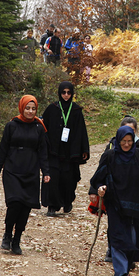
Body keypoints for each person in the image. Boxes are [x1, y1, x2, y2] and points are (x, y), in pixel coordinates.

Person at [89, 125, 139, 276]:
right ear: (118, 141)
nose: (126, 144)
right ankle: (121, 275)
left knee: (132, 240)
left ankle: (122, 272)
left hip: (136, 206)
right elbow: (98, 177)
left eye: (129, 141)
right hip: (116, 204)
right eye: (123, 141)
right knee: (119, 238)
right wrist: (99, 188)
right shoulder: (110, 156)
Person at [0, 95, 51, 255]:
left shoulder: (39, 128)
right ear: (21, 108)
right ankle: (7, 234)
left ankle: (17, 239)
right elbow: (3, 149)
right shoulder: (11, 126)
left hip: (31, 171)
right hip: (12, 170)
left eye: (33, 109)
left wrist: (46, 172)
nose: (30, 111)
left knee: (26, 207)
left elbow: (43, 152)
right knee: (15, 203)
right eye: (27, 108)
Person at [41, 81, 90, 216]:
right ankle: (52, 205)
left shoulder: (76, 110)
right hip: (54, 150)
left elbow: (82, 131)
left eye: (69, 92)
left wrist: (84, 149)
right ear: (59, 93)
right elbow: (42, 127)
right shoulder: (52, 109)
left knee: (69, 178)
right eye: (64, 92)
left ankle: (67, 201)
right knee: (52, 177)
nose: (66, 95)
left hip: (70, 151)